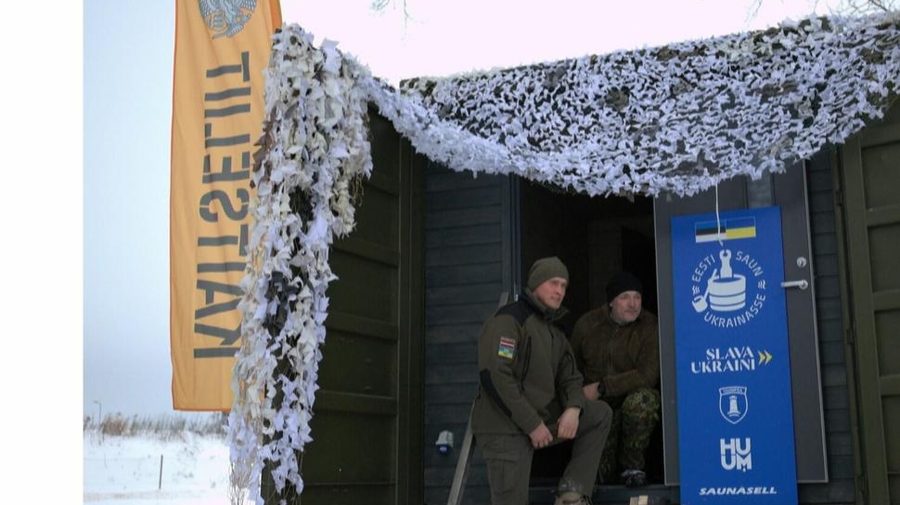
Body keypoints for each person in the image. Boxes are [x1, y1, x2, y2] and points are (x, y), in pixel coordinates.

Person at [473, 256, 613, 505]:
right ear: (536, 284)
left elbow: (571, 377)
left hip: (542, 421)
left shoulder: (554, 329)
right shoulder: (509, 321)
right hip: (506, 429)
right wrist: (532, 424)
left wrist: (573, 408)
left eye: (563, 286)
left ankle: (571, 495)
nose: (559, 291)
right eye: (553, 283)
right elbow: (495, 375)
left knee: (599, 414)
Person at [570, 271, 660, 488]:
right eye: (625, 297)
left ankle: (633, 467)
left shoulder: (649, 325)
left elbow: (648, 374)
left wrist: (603, 387)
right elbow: (570, 369)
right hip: (599, 408)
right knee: (599, 477)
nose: (633, 304)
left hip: (629, 399)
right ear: (611, 301)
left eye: (637, 297)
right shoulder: (587, 325)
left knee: (642, 401)